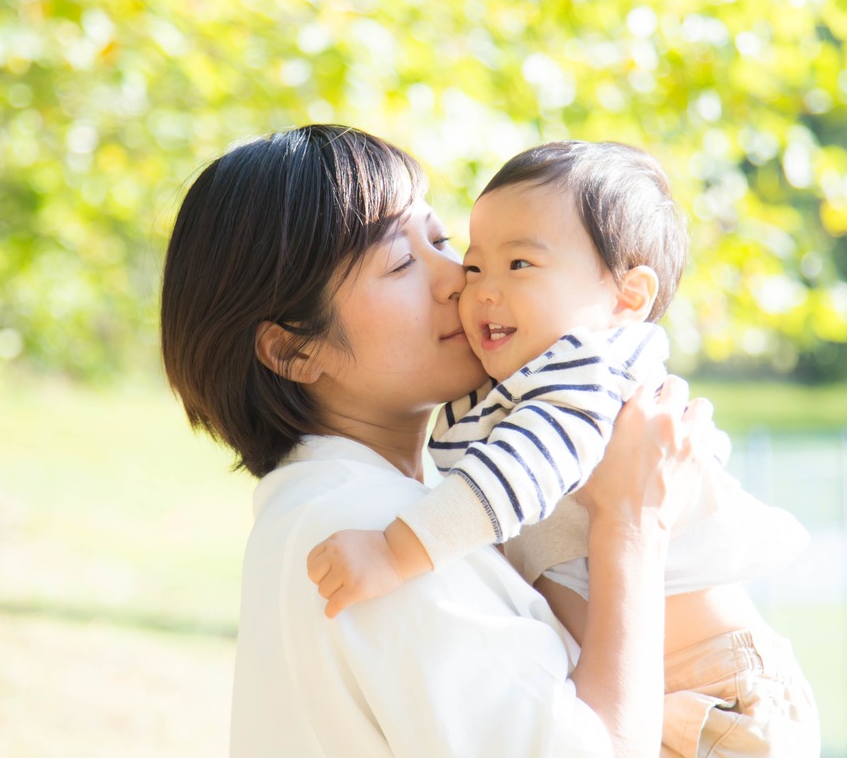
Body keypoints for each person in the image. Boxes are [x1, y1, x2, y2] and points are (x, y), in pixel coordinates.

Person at [161, 124, 717, 757]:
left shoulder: (347, 511)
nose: (460, 279)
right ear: (294, 349)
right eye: (401, 262)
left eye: (442, 241)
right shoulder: (375, 535)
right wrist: (631, 522)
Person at [306, 141, 820, 756]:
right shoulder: (509, 386)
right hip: (663, 692)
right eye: (475, 267)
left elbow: (508, 480)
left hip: (722, 689)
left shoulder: (586, 375)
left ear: (625, 298)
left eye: (520, 265)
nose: (482, 292)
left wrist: (392, 553)